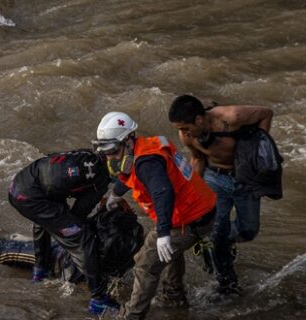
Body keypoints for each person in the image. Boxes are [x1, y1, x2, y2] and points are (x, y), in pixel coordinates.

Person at [91, 111, 217, 320]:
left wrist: (164, 232)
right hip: (201, 209)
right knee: (169, 253)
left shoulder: (147, 163)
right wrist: (115, 193)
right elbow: (131, 173)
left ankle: (132, 315)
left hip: (189, 217)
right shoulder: (143, 148)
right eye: (103, 150)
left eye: (112, 149)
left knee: (145, 263)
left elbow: (162, 191)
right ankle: (174, 298)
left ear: (129, 141)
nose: (109, 156)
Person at [168, 94, 274, 294]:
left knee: (248, 230)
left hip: (245, 178)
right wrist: (189, 193)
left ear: (199, 119)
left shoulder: (231, 117)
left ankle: (224, 242)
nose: (183, 133)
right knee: (217, 230)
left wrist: (259, 148)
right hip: (214, 179)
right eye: (180, 129)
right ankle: (226, 284)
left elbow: (266, 114)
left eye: (185, 128)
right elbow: (198, 159)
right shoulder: (188, 136)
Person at [0, 199, 144, 285]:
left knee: (6, 254)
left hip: (63, 261)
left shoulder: (111, 231)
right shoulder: (135, 233)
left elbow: (87, 230)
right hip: (74, 256)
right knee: (19, 243)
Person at [7, 149, 118, 315]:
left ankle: (40, 271)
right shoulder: (101, 180)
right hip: (34, 197)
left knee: (44, 220)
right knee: (82, 237)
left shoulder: (85, 155)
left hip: (19, 185)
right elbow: (79, 214)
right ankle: (99, 298)